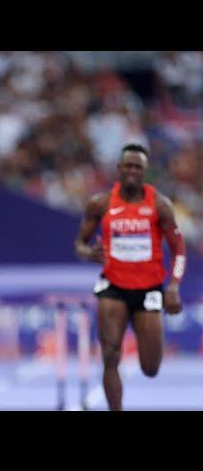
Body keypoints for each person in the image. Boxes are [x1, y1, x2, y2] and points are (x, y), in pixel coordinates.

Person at [75, 143, 186, 411]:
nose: (133, 171)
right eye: (129, 165)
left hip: (148, 289)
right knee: (110, 355)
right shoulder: (100, 203)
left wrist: (173, 286)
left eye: (138, 167)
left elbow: (179, 250)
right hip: (112, 287)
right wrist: (88, 252)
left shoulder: (159, 205)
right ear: (119, 169)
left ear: (145, 172)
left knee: (150, 368)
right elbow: (79, 242)